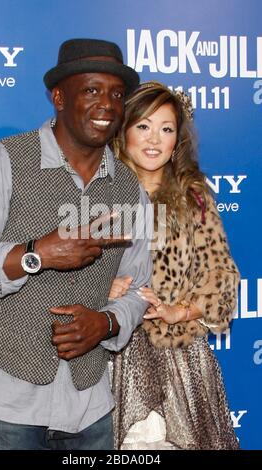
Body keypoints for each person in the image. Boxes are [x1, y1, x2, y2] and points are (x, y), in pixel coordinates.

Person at [0, 39, 153, 450]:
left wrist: (106, 323)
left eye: (117, 94)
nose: (107, 104)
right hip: (6, 399)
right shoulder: (3, 162)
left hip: (89, 405)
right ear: (59, 97)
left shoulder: (130, 188)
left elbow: (140, 285)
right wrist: (35, 254)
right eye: (92, 90)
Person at [110, 81, 240, 450]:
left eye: (166, 129)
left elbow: (221, 276)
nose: (154, 139)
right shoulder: (97, 192)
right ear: (124, 130)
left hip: (179, 363)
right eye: (143, 126)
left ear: (177, 140)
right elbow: (63, 272)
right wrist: (103, 288)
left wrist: (178, 312)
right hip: (106, 355)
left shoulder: (193, 196)